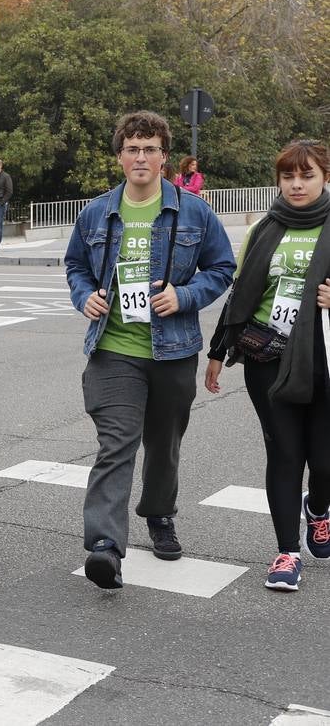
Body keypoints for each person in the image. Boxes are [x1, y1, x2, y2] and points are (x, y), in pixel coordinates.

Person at [64, 111, 236, 591]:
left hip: (173, 350)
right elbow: (76, 265)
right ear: (120, 156)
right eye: (132, 148)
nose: (141, 157)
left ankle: (159, 513)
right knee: (116, 445)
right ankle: (104, 547)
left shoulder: (194, 212)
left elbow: (222, 269)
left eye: (151, 149)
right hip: (113, 348)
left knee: (164, 444)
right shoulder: (97, 212)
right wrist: (86, 296)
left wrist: (184, 295)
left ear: (164, 157)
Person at [204, 140, 330, 591]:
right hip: (268, 355)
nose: (296, 185)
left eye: (307, 175)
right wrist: (218, 351)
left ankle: (318, 507)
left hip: (324, 359)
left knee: (324, 459)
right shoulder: (263, 228)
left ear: (324, 178)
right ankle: (286, 553)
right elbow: (241, 293)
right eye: (288, 176)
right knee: (285, 453)